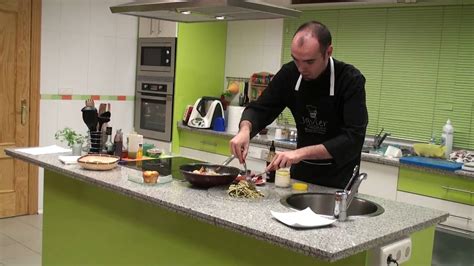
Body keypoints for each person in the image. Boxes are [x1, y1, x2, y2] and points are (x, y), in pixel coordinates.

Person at [229, 21, 368, 189]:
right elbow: (260, 109)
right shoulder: (290, 74)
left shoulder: (350, 80)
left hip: (339, 182)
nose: (301, 68)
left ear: (328, 52)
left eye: (309, 62)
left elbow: (353, 139)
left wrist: (300, 153)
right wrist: (245, 129)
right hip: (300, 177)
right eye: (296, 60)